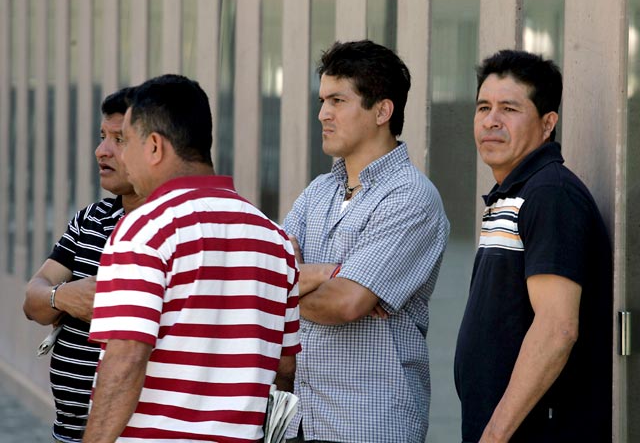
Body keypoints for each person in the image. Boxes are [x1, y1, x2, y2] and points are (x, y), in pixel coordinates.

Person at [83, 74, 301, 442]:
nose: (119, 155)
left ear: (155, 146)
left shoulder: (144, 229)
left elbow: (126, 359)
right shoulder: (274, 238)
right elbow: (285, 368)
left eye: (126, 142)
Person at [282, 40, 450, 442]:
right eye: (322, 100)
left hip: (368, 424)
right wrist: (330, 275)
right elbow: (261, 274)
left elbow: (345, 303)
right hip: (300, 420)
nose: (323, 114)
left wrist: (287, 286)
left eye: (337, 100)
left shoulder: (410, 197)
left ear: (382, 111)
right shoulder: (318, 191)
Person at [454, 49, 613, 442]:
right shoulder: (515, 194)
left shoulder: (550, 194)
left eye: (509, 109)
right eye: (483, 107)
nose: (491, 120)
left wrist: (494, 434)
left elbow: (557, 328)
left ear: (547, 124)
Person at [23, 87, 145, 443]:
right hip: (68, 431)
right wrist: (62, 297)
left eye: (118, 140)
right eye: (101, 136)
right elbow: (32, 301)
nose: (101, 151)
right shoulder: (91, 219)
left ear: (153, 149)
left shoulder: (167, 229)